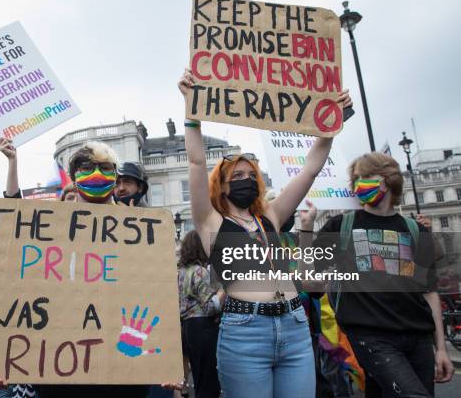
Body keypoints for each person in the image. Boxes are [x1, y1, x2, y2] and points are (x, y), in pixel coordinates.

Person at [178, 68, 353, 398]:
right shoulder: (209, 222)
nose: (245, 178)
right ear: (223, 185)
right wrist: (192, 112)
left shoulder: (271, 215)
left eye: (250, 173)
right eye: (236, 174)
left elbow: (310, 169)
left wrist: (331, 125)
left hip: (294, 327)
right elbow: (196, 164)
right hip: (245, 334)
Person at [0, 140, 151, 397]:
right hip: (60, 372)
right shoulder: (52, 228)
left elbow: (155, 296)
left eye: (105, 168)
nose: (97, 174)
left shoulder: (139, 230)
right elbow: (13, 224)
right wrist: (0, 357)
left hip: (121, 372)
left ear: (115, 177)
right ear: (74, 176)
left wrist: (167, 361)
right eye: (88, 167)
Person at [308, 152, 454, 397]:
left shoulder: (416, 230)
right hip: (371, 337)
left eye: (365, 177)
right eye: (355, 178)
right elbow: (309, 280)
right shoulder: (339, 227)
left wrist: (441, 348)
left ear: (387, 180)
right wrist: (305, 227)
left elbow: (429, 293)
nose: (358, 184)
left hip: (418, 339)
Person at [178, 230, 224, 398]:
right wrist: (224, 290)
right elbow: (211, 307)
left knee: (199, 379)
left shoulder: (181, 271)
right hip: (203, 328)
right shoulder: (199, 272)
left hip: (188, 328)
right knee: (209, 383)